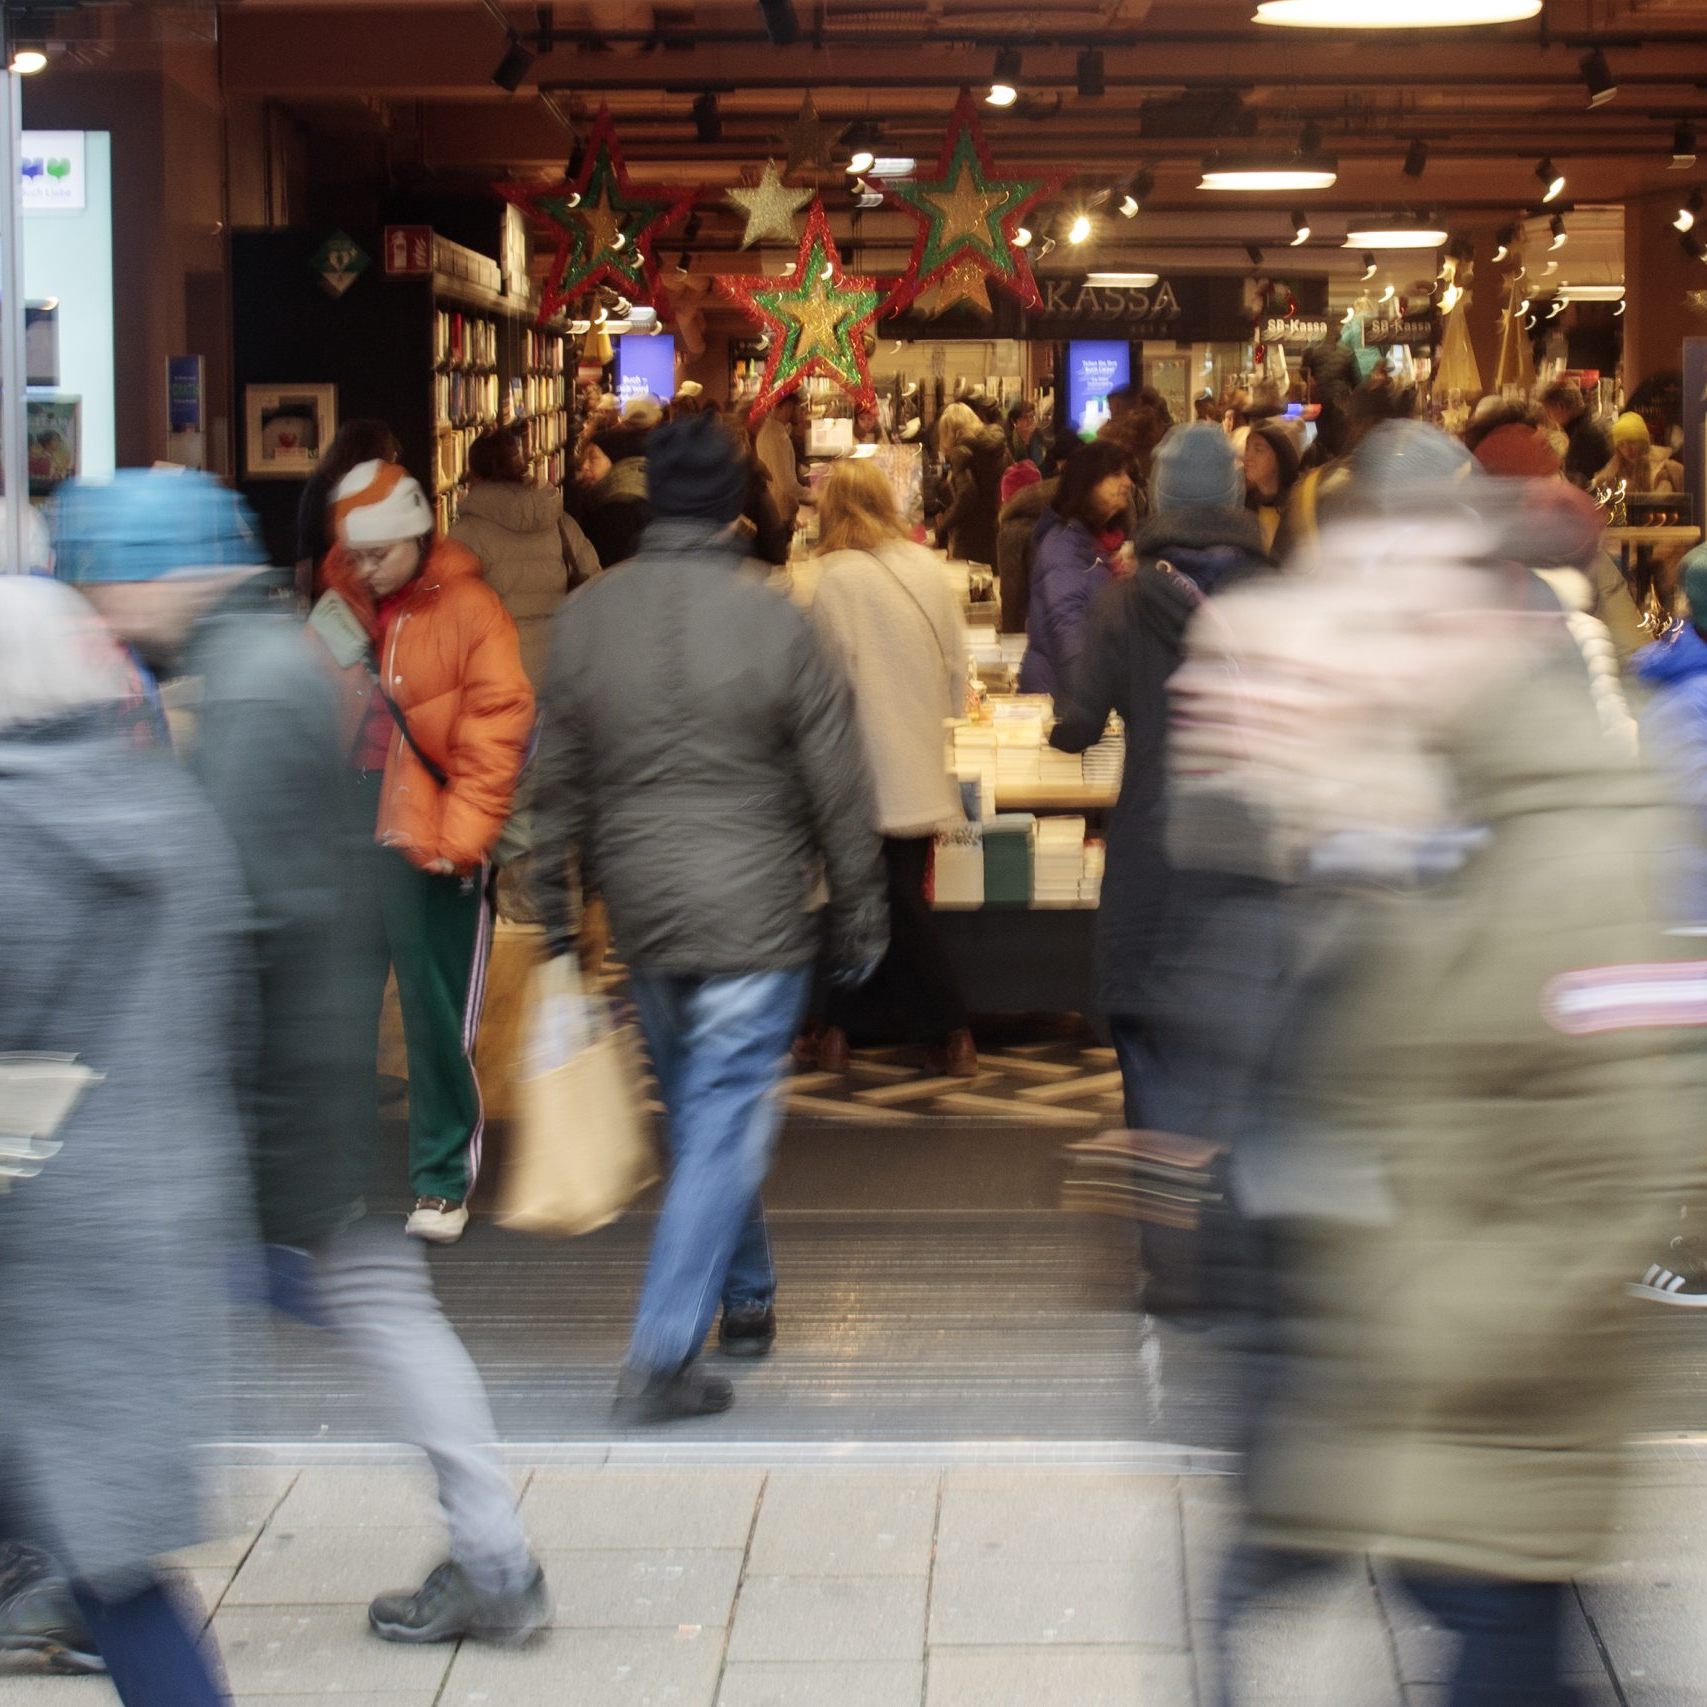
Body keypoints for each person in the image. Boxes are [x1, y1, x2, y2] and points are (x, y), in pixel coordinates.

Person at [52, 474, 552, 1647]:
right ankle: (491, 1556)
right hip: (300, 1078)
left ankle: (94, 1573)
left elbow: (237, 910)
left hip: (279, 1090)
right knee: (372, 1306)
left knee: (297, 1305)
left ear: (166, 571)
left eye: (111, 577)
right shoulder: (264, 664)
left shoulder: (252, 687)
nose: (103, 608)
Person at [528, 415, 886, 1422]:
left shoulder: (589, 619)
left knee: (704, 1117)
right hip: (760, 915)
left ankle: (751, 1294)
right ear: (735, 506)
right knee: (723, 1118)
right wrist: (860, 906)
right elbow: (837, 781)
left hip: (644, 913)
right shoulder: (778, 618)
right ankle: (660, 1352)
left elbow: (550, 782)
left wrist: (550, 913)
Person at [0, 574, 247, 1703]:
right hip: (153, 1202)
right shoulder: (166, 806)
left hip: (35, 1237)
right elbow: (221, 1000)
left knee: (106, 1566)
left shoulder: (13, 835)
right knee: (112, 1562)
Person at [319, 459, 534, 1243]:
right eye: (355, 553)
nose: (365, 568)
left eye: (379, 554)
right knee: (338, 1009)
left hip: (432, 832)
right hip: (348, 826)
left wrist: (463, 839)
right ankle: (335, 1177)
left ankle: (441, 1179)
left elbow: (496, 728)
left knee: (435, 1011)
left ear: (416, 536)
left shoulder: (471, 609)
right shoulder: (339, 600)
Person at [1049, 423, 1270, 1128]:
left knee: (1145, 1032)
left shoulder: (1125, 600)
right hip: (1253, 856)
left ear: (1160, 496)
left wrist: (1061, 710)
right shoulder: (1277, 597)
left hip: (1152, 845)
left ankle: (1164, 1209)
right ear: (1234, 494)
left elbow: (1078, 725)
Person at [809, 455, 975, 1078]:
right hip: (918, 758)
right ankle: (840, 1029)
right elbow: (957, 667)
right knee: (888, 897)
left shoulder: (835, 580)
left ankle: (950, 1027)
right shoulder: (925, 567)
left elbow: (826, 688)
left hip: (858, 767)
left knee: (880, 901)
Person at [450, 426, 598, 686]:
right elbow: (594, 581)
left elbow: (451, 610)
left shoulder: (464, 535)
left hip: (498, 669)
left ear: (473, 472)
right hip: (561, 662)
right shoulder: (560, 522)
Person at [1018, 440, 1134, 695]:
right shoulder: (1063, 547)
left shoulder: (1099, 544)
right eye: (1115, 474)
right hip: (1058, 697)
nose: (1127, 482)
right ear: (1088, 483)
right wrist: (1089, 702)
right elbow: (1068, 627)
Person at [295, 417, 400, 603]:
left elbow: (308, 543)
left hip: (323, 596)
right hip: (354, 594)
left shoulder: (319, 484)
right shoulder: (365, 492)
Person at [574, 423, 651, 569]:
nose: (585, 466)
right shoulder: (642, 490)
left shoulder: (617, 511)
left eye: (593, 458)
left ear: (615, 460)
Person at [938, 412, 1010, 566]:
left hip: (970, 537)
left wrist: (943, 527)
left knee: (970, 586)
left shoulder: (960, 452)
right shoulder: (997, 448)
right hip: (998, 530)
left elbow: (966, 494)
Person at [996, 464, 1054, 635]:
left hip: (1032, 629)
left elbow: (1012, 591)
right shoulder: (1054, 521)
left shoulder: (1012, 530)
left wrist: (1009, 636)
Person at [754, 392, 814, 540]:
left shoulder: (776, 431)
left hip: (779, 513)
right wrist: (815, 495)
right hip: (780, 515)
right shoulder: (775, 436)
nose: (801, 414)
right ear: (787, 407)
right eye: (799, 408)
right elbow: (786, 483)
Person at [1243, 419, 1301, 556]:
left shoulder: (1297, 509)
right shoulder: (1243, 506)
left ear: (1280, 457)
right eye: (1247, 448)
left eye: (1259, 450)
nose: (1247, 457)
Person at [1540, 379, 1613, 489]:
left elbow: (1578, 485)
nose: (1550, 418)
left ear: (1561, 407)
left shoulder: (1584, 436)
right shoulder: (1592, 421)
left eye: (1549, 412)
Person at [1597, 410, 1685, 496]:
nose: (1627, 449)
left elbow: (1660, 505)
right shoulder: (1615, 469)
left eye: (1632, 442)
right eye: (1621, 445)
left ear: (1643, 442)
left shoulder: (1666, 470)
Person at [1007, 398, 1042, 467]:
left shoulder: (1039, 437)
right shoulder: (1009, 444)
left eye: (1031, 416)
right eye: (1024, 417)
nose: (1029, 421)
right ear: (1014, 421)